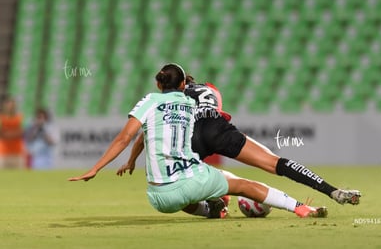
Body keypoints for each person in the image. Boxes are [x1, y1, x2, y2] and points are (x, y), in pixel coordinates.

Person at [69, 64, 327, 219]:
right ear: (184, 84)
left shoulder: (149, 103)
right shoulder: (188, 101)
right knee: (242, 185)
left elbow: (128, 137)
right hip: (192, 180)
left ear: (158, 84)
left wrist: (98, 168)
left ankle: (212, 210)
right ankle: (300, 207)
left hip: (159, 198)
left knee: (181, 196)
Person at [120, 75, 361, 206]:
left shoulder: (171, 99)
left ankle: (213, 205)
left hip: (191, 134)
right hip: (217, 127)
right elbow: (217, 109)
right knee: (274, 163)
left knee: (184, 178)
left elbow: (145, 133)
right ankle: (333, 192)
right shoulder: (210, 88)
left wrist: (131, 160)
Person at [0, 95, 26, 169]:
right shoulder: (1, 118)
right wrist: (14, 133)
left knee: (19, 179)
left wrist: (6, 133)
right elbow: (1, 135)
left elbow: (21, 133)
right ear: (5, 105)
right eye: (8, 103)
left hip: (17, 153)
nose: (11, 106)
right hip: (3, 153)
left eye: (12, 103)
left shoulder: (20, 117)